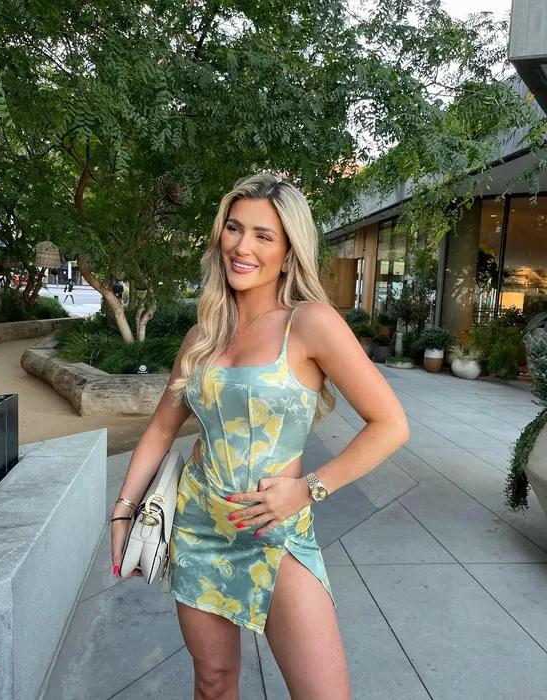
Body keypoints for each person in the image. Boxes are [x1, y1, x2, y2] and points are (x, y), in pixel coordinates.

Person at [110, 173, 410, 699]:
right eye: (234, 228)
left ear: (289, 253)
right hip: (199, 527)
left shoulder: (311, 323)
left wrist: (309, 489)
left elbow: (391, 424)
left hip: (277, 533)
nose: (241, 246)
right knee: (213, 682)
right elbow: (161, 428)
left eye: (263, 235)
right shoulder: (201, 336)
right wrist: (124, 510)